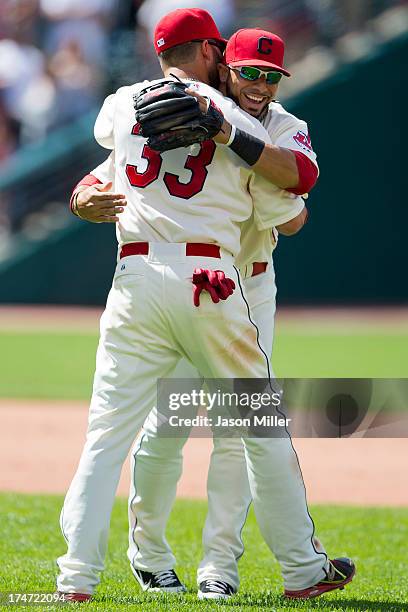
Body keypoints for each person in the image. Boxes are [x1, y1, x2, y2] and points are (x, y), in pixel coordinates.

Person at [58, 8, 354, 602]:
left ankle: (76, 580)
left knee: (105, 437)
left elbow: (111, 147)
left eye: (271, 75)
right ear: (214, 53)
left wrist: (91, 191)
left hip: (135, 276)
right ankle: (300, 567)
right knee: (255, 428)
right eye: (241, 64)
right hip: (210, 280)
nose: (257, 81)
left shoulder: (126, 101)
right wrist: (82, 195)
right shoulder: (236, 121)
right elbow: (292, 202)